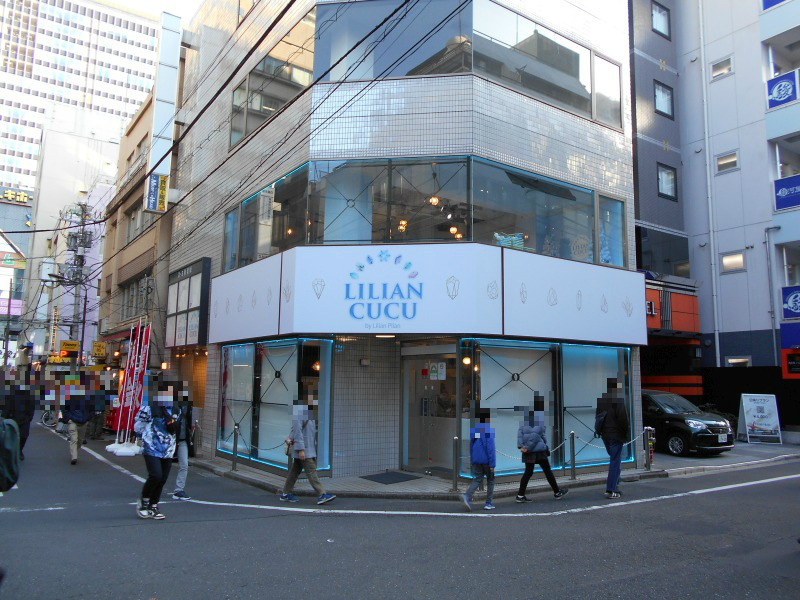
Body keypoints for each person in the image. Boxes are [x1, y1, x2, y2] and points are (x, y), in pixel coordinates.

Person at [134, 377, 181, 520]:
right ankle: (144, 502)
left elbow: (175, 428)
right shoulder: (149, 408)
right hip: (151, 447)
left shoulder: (176, 409)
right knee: (155, 475)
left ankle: (154, 505)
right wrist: (143, 438)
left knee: (162, 479)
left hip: (168, 449)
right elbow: (138, 425)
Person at [280, 400, 335, 505]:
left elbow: (296, 430)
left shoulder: (307, 411)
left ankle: (285, 494)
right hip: (304, 450)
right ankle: (321, 494)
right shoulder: (301, 411)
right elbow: (297, 430)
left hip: (306, 449)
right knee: (311, 470)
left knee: (294, 472)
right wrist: (301, 449)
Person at [516, 396, 568, 502]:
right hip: (538, 451)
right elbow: (535, 436)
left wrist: (522, 446)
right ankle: (557, 492)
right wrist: (528, 447)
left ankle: (520, 495)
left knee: (528, 472)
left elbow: (520, 433)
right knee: (547, 471)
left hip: (528, 451)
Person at [595, 378, 630, 499]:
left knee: (615, 459)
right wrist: (626, 433)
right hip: (616, 434)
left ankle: (616, 484)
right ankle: (611, 489)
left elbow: (597, 417)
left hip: (605, 434)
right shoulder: (618, 400)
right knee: (615, 461)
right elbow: (623, 419)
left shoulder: (601, 400)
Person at [462, 411, 496, 511]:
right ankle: (488, 503)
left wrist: (472, 459)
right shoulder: (488, 431)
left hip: (476, 460)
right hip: (486, 461)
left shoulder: (475, 431)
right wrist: (492, 465)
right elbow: (490, 449)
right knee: (491, 480)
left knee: (477, 479)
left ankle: (467, 496)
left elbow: (471, 446)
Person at [60, 374, 95, 465]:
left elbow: (92, 409)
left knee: (79, 440)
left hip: (83, 421)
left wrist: (88, 418)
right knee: (74, 439)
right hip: (73, 421)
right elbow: (64, 408)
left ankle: (75, 452)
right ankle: (74, 457)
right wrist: (68, 418)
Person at [171, 383, 194, 501]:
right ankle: (154, 489)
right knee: (162, 466)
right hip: (170, 438)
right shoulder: (169, 404)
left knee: (184, 464)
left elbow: (189, 420)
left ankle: (179, 490)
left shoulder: (187, 405)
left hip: (183, 438)